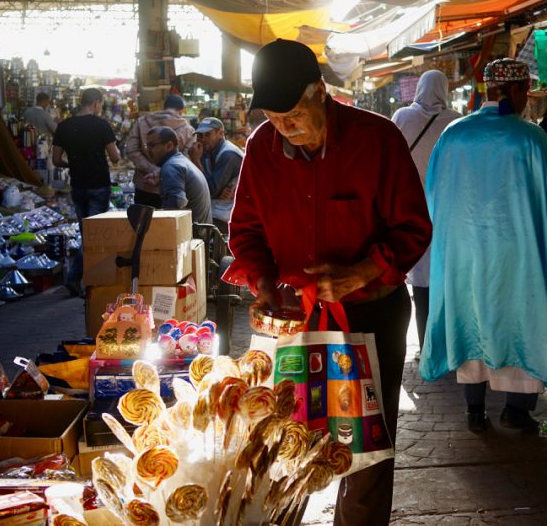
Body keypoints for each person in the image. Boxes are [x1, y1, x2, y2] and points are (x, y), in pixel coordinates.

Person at [223, 39, 431, 526]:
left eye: (294, 114)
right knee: (285, 437)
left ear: (320, 91)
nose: (284, 127)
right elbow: (246, 231)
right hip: (295, 318)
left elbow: (414, 228)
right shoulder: (262, 147)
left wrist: (362, 271)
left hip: (371, 314)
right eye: (273, 117)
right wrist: (263, 283)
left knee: (366, 446)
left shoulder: (376, 139)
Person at [421, 58, 547, 433]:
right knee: (521, 319)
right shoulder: (531, 137)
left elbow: (434, 195)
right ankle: (516, 410)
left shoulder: (453, 134)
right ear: (515, 90)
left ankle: (474, 408)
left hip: (464, 252)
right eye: (527, 92)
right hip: (517, 254)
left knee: (470, 317)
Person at [391, 69, 461, 356]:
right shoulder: (455, 121)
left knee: (420, 282)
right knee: (446, 280)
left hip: (410, 210)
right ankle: (448, 345)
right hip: (447, 212)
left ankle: (426, 346)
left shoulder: (402, 117)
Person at [52, 88, 120, 294]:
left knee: (86, 234)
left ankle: (86, 280)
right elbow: (115, 157)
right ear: (96, 103)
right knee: (93, 236)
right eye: (101, 104)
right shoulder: (101, 125)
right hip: (98, 185)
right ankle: (77, 278)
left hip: (78, 186)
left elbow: (56, 160)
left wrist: (73, 164)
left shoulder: (64, 126)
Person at [125, 94, 195, 208]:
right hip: (172, 188)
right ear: (181, 111)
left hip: (144, 186)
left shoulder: (141, 122)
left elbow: (131, 149)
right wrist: (162, 173)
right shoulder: (189, 130)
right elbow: (185, 159)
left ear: (164, 107)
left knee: (143, 219)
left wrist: (153, 170)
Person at [144, 126, 212, 226]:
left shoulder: (172, 167)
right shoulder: (179, 162)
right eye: (147, 146)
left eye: (151, 145)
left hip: (192, 232)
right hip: (200, 230)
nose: (148, 150)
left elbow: (177, 202)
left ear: (169, 146)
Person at [189, 117, 243, 230]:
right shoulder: (205, 150)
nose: (203, 139)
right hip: (217, 209)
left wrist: (196, 161)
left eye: (208, 134)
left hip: (226, 215)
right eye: (200, 135)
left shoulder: (229, 154)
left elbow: (212, 189)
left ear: (220, 133)